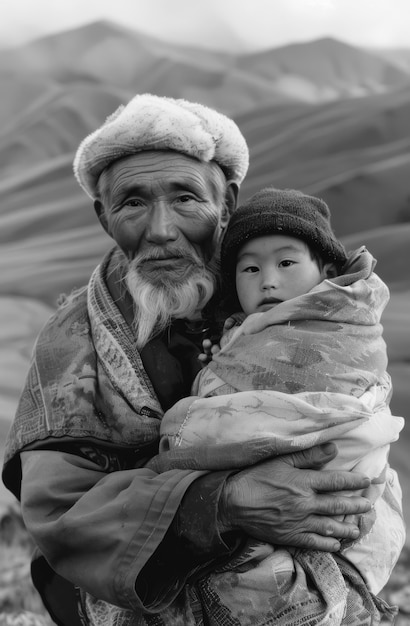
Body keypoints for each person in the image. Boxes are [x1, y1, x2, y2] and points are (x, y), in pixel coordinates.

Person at [1, 95, 386, 626]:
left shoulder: (281, 295)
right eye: (132, 203)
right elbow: (59, 511)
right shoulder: (73, 340)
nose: (160, 229)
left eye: (185, 198)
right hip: (145, 584)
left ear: (225, 204)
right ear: (103, 217)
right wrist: (220, 502)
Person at [151, 187, 405, 623]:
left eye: (286, 263)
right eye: (250, 268)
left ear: (325, 268)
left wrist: (186, 430)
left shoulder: (341, 326)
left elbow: (314, 404)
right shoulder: (244, 332)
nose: (268, 280)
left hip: (335, 481)